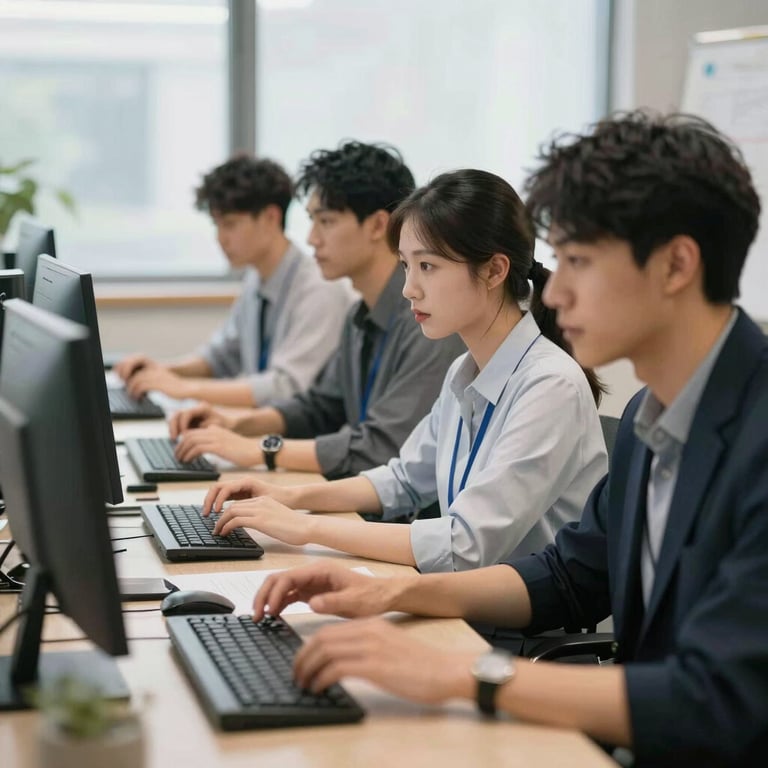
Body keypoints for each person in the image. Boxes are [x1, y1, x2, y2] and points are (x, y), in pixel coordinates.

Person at [246, 113, 768, 766]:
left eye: (578, 259)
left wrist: (469, 677)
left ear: (677, 265)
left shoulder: (755, 437)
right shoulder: (646, 423)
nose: (555, 287)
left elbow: (719, 698)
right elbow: (565, 577)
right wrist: (392, 591)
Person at [200, 169, 607, 571]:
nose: (409, 288)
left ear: (494, 270)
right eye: (406, 266)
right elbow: (403, 480)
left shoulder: (549, 386)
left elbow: (463, 545)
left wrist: (305, 527)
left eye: (426, 266)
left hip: (511, 631)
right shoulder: (463, 372)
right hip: (457, 603)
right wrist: (289, 497)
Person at [169, 141, 465, 480]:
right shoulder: (359, 316)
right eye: (311, 221)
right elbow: (319, 406)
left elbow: (384, 447)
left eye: (326, 221)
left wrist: (261, 449)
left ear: (377, 225)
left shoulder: (426, 319)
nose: (311, 239)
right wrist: (235, 422)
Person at [114, 155, 352, 407]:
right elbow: (222, 356)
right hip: (257, 426)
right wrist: (163, 371)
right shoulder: (256, 278)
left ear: (271, 218)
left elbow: (286, 387)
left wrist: (184, 389)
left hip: (294, 437)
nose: (220, 238)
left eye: (230, 224)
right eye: (216, 225)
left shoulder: (319, 288)